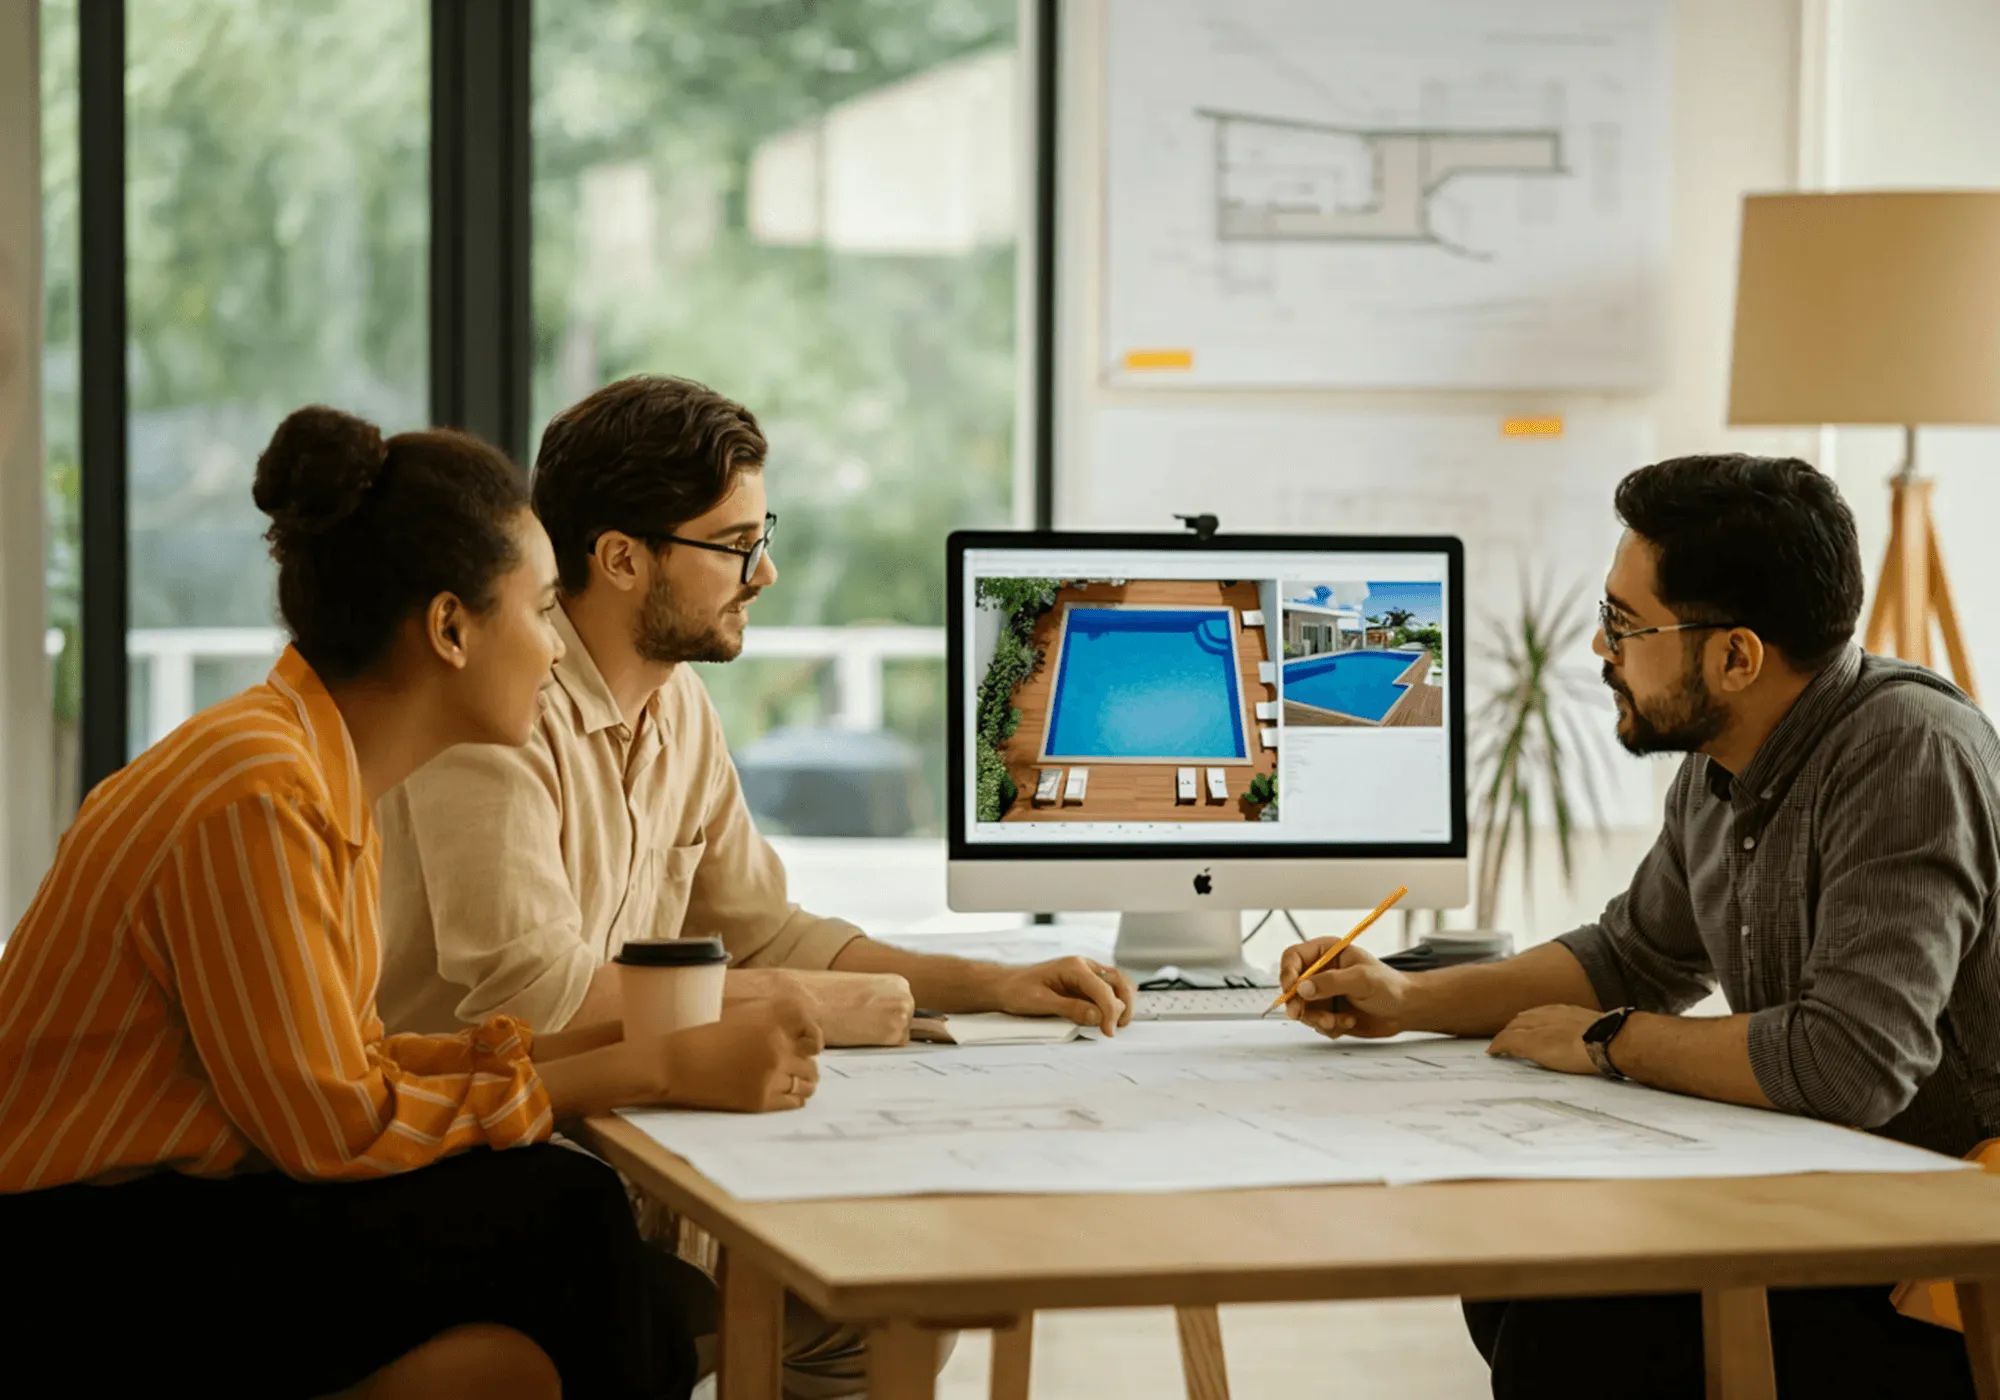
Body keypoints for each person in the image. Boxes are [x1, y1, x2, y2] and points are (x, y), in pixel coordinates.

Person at [0, 406, 824, 1400]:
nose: (554, 650)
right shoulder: (261, 792)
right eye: (540, 611)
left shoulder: (310, 767)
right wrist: (654, 1063)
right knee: (570, 1221)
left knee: (581, 1230)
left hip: (175, 1210)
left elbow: (356, 1064)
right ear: (448, 628)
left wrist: (642, 1054)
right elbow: (335, 1124)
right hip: (70, 1251)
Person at [373, 374, 1135, 1396]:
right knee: (852, 1304)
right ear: (620, 558)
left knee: (886, 1311)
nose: (764, 571)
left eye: (760, 535)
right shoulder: (499, 712)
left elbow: (764, 929)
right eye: (734, 543)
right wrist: (828, 1005)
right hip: (484, 1177)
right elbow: (532, 993)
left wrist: (986, 983)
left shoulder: (678, 705)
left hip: (618, 1151)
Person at [1283, 454, 1994, 1399]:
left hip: (1945, 1274)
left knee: (1572, 1329)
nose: (1599, 647)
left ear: (1736, 658)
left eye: (1625, 624)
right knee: (1516, 1271)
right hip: (1834, 1202)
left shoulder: (1907, 753)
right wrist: (1407, 999)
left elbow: (1851, 1062)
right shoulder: (1721, 763)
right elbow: (1630, 956)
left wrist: (1610, 1043)